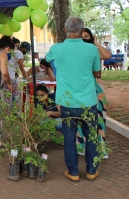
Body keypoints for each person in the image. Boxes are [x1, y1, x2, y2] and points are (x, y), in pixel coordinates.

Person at [46, 17, 101, 182]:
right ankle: (91, 171)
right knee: (91, 136)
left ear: (64, 29)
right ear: (82, 30)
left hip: (67, 102)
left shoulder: (56, 49)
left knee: (69, 137)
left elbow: (47, 60)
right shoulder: (92, 49)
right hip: (88, 101)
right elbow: (97, 73)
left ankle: (73, 172)